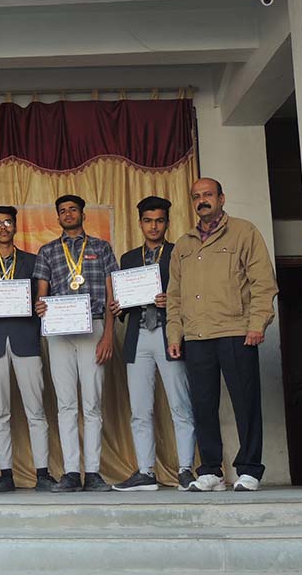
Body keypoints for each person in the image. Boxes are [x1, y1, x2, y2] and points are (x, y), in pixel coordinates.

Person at [166, 178, 277, 492]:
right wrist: (174, 334)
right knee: (203, 405)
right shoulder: (183, 244)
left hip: (236, 331)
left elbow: (263, 282)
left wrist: (257, 323)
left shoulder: (244, 232)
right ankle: (211, 470)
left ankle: (250, 470)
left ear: (221, 198)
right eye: (196, 196)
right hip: (197, 336)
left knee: (246, 403)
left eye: (208, 195)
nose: (202, 200)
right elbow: (174, 295)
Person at [108, 196, 196, 492]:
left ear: (167, 223)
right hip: (137, 337)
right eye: (148, 221)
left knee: (180, 405)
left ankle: (185, 470)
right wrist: (119, 307)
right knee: (139, 409)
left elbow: (193, 294)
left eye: (159, 221)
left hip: (170, 334)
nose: (153, 226)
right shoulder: (128, 258)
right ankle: (146, 472)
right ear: (140, 223)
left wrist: (173, 301)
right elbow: (125, 302)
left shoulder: (179, 253)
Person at [34, 195, 117, 493]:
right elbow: (41, 295)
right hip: (59, 333)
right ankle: (71, 472)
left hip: (94, 327)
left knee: (92, 403)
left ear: (83, 214)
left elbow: (112, 295)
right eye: (63, 211)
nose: (68, 214)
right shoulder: (47, 251)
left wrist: (109, 335)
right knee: (66, 404)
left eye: (73, 209)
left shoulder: (101, 248)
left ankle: (92, 472)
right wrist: (40, 305)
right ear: (57, 218)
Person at [0, 206, 52, 493]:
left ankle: (43, 473)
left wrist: (42, 306)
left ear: (15, 227)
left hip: (26, 339)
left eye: (8, 222)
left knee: (36, 410)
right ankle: (5, 474)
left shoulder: (33, 261)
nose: (3, 227)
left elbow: (44, 302)